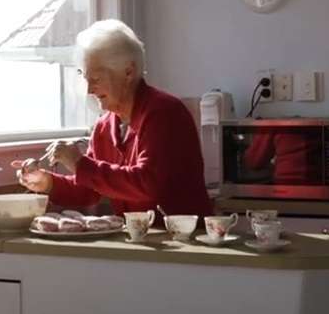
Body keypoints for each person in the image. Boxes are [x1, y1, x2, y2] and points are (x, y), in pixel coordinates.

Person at [17, 19, 212, 220]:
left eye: (96, 79)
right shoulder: (104, 127)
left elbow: (147, 184)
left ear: (129, 71)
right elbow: (90, 189)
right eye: (85, 78)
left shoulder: (164, 112)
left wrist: (79, 163)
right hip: (141, 241)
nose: (89, 90)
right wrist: (46, 182)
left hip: (185, 242)